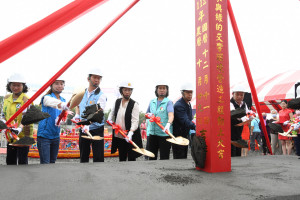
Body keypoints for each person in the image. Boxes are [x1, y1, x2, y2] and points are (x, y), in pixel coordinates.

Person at [74, 68, 107, 163]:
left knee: (98, 157)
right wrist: (77, 115)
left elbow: (98, 113)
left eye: (99, 78)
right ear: (88, 78)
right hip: (83, 128)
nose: (97, 80)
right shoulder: (81, 93)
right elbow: (78, 105)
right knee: (83, 156)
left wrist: (88, 124)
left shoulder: (101, 95)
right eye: (94, 77)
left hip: (96, 129)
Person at [2, 73, 33, 165]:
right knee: (10, 161)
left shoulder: (26, 99)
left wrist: (20, 128)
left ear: (23, 86)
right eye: (13, 85)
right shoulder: (7, 98)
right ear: (9, 86)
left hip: (23, 134)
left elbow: (28, 116)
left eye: (18, 85)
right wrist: (4, 122)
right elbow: (4, 113)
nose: (15, 87)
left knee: (22, 162)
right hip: (11, 134)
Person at [108, 81, 142, 161]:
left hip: (130, 136)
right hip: (119, 135)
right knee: (122, 157)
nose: (127, 92)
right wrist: (109, 118)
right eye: (125, 90)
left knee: (131, 158)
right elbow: (112, 112)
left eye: (129, 90)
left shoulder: (134, 104)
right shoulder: (117, 102)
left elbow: (135, 121)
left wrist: (131, 132)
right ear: (121, 91)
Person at [37, 77, 68, 164]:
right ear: (51, 85)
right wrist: (62, 105)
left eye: (61, 84)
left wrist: (62, 120)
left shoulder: (63, 100)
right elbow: (52, 102)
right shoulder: (46, 97)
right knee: (45, 163)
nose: (59, 86)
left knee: (52, 163)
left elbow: (64, 115)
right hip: (44, 136)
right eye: (56, 83)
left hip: (56, 136)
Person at [146, 81, 174, 160]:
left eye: (164, 88)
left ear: (167, 90)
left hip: (164, 134)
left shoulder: (168, 102)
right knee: (152, 156)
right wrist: (149, 115)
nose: (162, 90)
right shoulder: (152, 102)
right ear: (156, 90)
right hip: (152, 134)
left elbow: (171, 115)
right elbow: (146, 114)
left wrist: (168, 124)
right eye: (160, 88)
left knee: (164, 157)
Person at [172, 83, 196, 159]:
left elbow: (189, 119)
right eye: (187, 92)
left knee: (184, 157)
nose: (190, 94)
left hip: (185, 135)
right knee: (179, 159)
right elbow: (185, 120)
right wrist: (195, 127)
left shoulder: (188, 104)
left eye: (191, 92)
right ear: (182, 93)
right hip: (178, 136)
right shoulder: (179, 105)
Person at [230, 85, 251, 157]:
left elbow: (247, 113)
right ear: (233, 94)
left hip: (239, 128)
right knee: (232, 145)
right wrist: (244, 118)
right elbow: (234, 113)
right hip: (231, 127)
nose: (239, 97)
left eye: (241, 95)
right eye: (237, 94)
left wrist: (249, 117)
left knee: (239, 142)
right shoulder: (230, 103)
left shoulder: (244, 104)